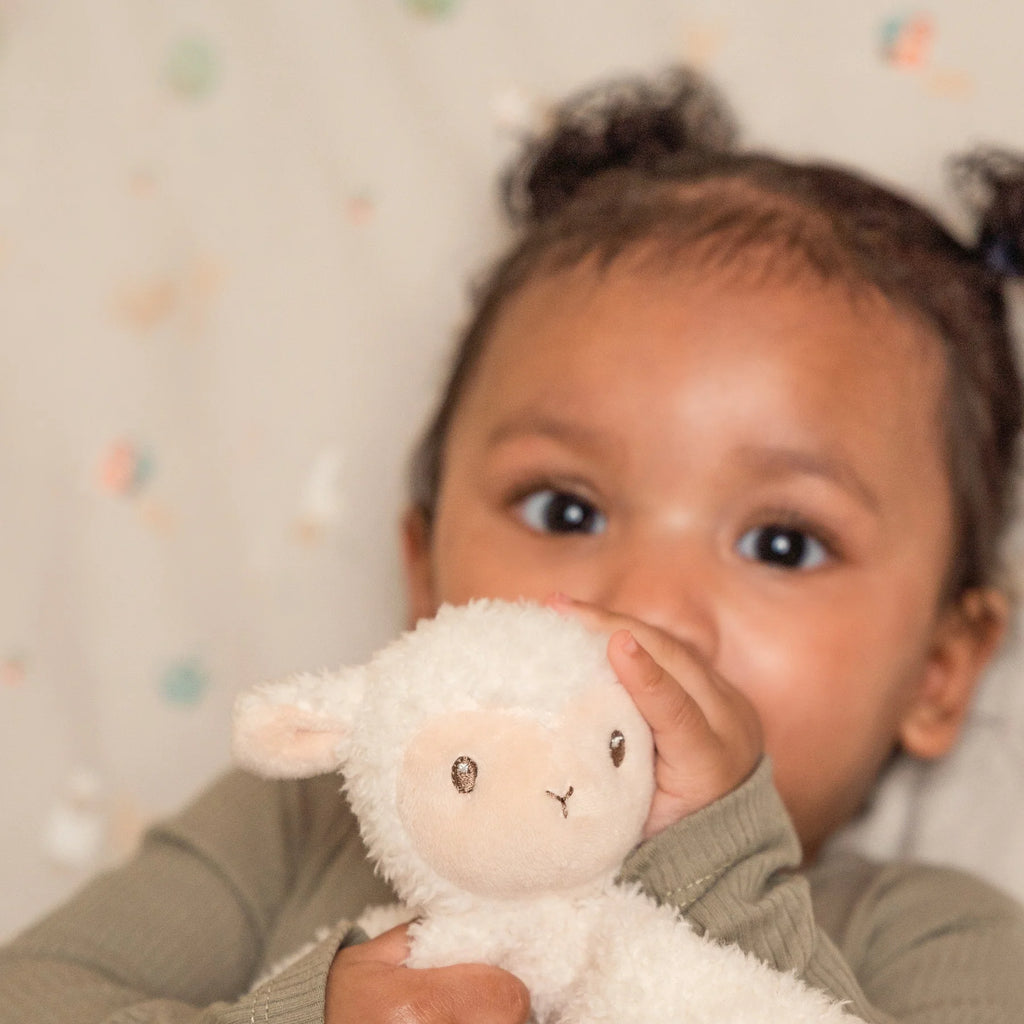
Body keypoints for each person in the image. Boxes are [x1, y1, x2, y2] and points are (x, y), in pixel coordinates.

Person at [3, 67, 1024, 1024]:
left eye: (783, 543)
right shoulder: (298, 826)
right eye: (565, 511)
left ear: (940, 669)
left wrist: (722, 873)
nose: (647, 602)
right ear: (424, 578)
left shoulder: (932, 935)